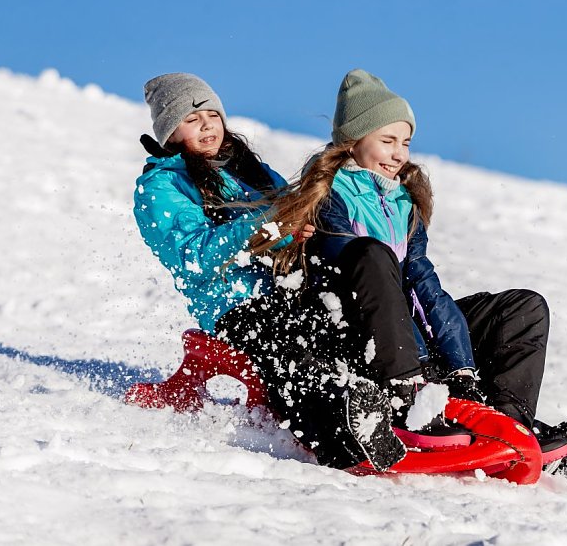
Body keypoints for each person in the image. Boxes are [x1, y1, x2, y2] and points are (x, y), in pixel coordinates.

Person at [249, 69, 567, 475]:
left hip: (415, 344)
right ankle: (406, 401)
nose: (399, 153)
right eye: (387, 141)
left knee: (523, 307)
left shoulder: (404, 206)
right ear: (353, 141)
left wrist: (462, 368)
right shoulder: (326, 197)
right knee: (372, 254)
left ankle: (508, 422)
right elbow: (365, 286)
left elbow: (425, 287)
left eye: (405, 142)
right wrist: (423, 370)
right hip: (360, 348)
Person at [132, 73, 406, 472]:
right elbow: (192, 256)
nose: (208, 124)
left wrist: (299, 229)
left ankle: (387, 414)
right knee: (287, 353)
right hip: (234, 305)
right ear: (169, 131)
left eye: (212, 114)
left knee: (338, 325)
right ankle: (339, 442)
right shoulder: (162, 186)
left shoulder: (248, 170)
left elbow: (283, 220)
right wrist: (267, 226)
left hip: (284, 286)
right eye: (192, 119)